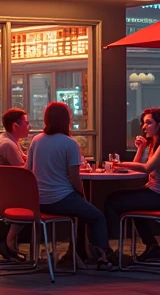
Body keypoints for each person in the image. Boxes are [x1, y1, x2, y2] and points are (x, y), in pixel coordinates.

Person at [28, 101, 115, 270]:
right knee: (96, 216)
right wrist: (82, 195)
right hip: (61, 199)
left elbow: (28, 170)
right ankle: (103, 257)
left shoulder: (36, 140)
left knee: (84, 212)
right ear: (66, 120)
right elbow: (74, 177)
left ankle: (80, 253)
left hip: (38, 201)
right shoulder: (69, 144)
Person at [104, 106, 160, 262]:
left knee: (113, 201)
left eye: (148, 123)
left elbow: (146, 169)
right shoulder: (154, 144)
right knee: (117, 200)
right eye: (144, 123)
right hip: (154, 193)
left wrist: (119, 164)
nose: (144, 126)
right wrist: (141, 147)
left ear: (159, 125)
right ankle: (152, 247)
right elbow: (137, 164)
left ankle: (108, 248)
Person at [0, 107, 30, 260]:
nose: (28, 126)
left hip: (1, 192)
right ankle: (6, 242)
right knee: (33, 203)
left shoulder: (10, 141)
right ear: (15, 125)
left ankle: (7, 242)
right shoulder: (7, 144)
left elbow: (25, 161)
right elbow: (24, 172)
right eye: (26, 123)